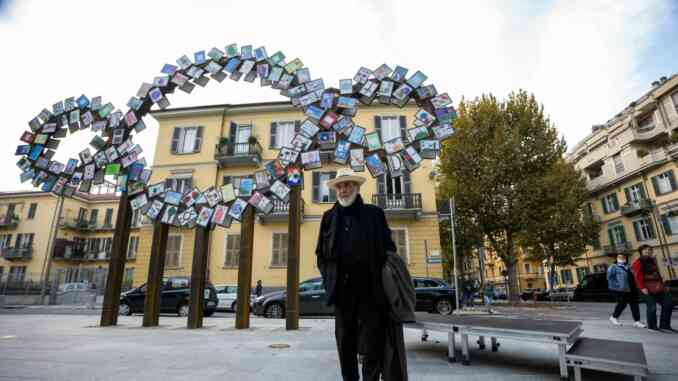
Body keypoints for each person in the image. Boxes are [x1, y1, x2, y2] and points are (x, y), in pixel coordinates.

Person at [315, 168, 407, 381]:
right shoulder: (328, 217)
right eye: (339, 186)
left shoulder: (374, 214)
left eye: (348, 185)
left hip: (371, 293)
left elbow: (389, 249)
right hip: (342, 294)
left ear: (356, 187)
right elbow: (321, 254)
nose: (343, 190)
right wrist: (329, 279)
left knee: (371, 346)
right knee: (345, 345)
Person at [631, 245, 676, 333]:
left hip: (657, 286)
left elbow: (657, 274)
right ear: (641, 252)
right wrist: (642, 288)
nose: (648, 251)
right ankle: (652, 326)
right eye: (645, 250)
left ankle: (664, 325)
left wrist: (662, 286)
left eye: (649, 250)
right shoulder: (638, 262)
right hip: (645, 288)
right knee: (652, 307)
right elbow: (637, 276)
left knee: (669, 303)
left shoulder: (652, 261)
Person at [607, 254, 645, 328]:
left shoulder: (629, 267)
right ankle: (614, 317)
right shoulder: (613, 267)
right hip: (621, 289)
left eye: (624, 257)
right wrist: (617, 287)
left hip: (632, 288)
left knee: (634, 304)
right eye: (620, 257)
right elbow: (609, 278)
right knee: (622, 303)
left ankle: (637, 321)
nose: (622, 258)